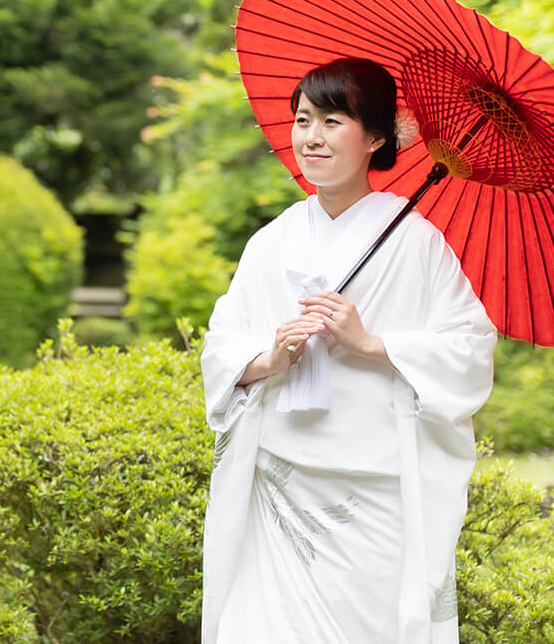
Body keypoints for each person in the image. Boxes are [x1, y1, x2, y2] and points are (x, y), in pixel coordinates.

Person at [199, 57, 496, 644]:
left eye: (333, 121)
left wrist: (373, 343)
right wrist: (271, 359)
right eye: (303, 119)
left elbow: (469, 350)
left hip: (374, 492)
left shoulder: (416, 242)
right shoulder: (272, 241)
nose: (311, 137)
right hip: (280, 486)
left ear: (376, 137)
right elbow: (222, 348)